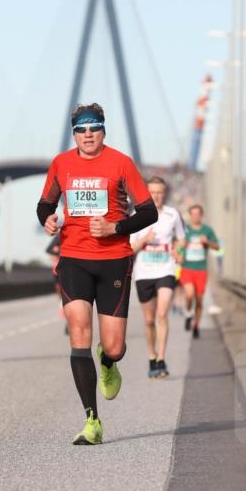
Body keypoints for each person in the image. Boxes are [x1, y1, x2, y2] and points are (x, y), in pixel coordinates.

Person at [36, 102, 157, 445]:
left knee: (115, 345)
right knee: (78, 330)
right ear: (73, 133)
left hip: (114, 259)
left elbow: (149, 212)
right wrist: (46, 218)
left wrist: (115, 226)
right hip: (73, 257)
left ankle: (109, 361)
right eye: (81, 129)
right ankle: (92, 420)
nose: (88, 134)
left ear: (103, 130)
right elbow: (45, 202)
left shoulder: (121, 162)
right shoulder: (61, 163)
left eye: (94, 127)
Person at [130, 177, 185, 379]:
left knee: (162, 314)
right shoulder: (136, 214)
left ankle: (161, 359)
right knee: (149, 319)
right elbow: (129, 247)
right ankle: (152, 357)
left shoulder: (173, 215)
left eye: (160, 192)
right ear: (146, 193)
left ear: (165, 193)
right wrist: (144, 239)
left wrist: (179, 251)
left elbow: (181, 238)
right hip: (144, 272)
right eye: (152, 192)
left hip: (166, 269)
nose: (156, 196)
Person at [178, 203, 219, 339]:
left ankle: (196, 326)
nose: (195, 216)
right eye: (193, 214)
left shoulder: (207, 230)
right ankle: (188, 313)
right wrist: (179, 252)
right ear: (190, 216)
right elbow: (177, 245)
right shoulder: (185, 230)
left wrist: (207, 242)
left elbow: (218, 247)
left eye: (198, 214)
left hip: (201, 270)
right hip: (187, 268)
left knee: (199, 301)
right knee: (189, 294)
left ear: (201, 215)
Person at [46, 231, 68, 334]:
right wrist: (59, 251)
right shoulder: (60, 235)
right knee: (61, 295)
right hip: (58, 269)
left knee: (71, 297)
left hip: (72, 269)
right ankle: (62, 305)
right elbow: (48, 249)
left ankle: (69, 322)